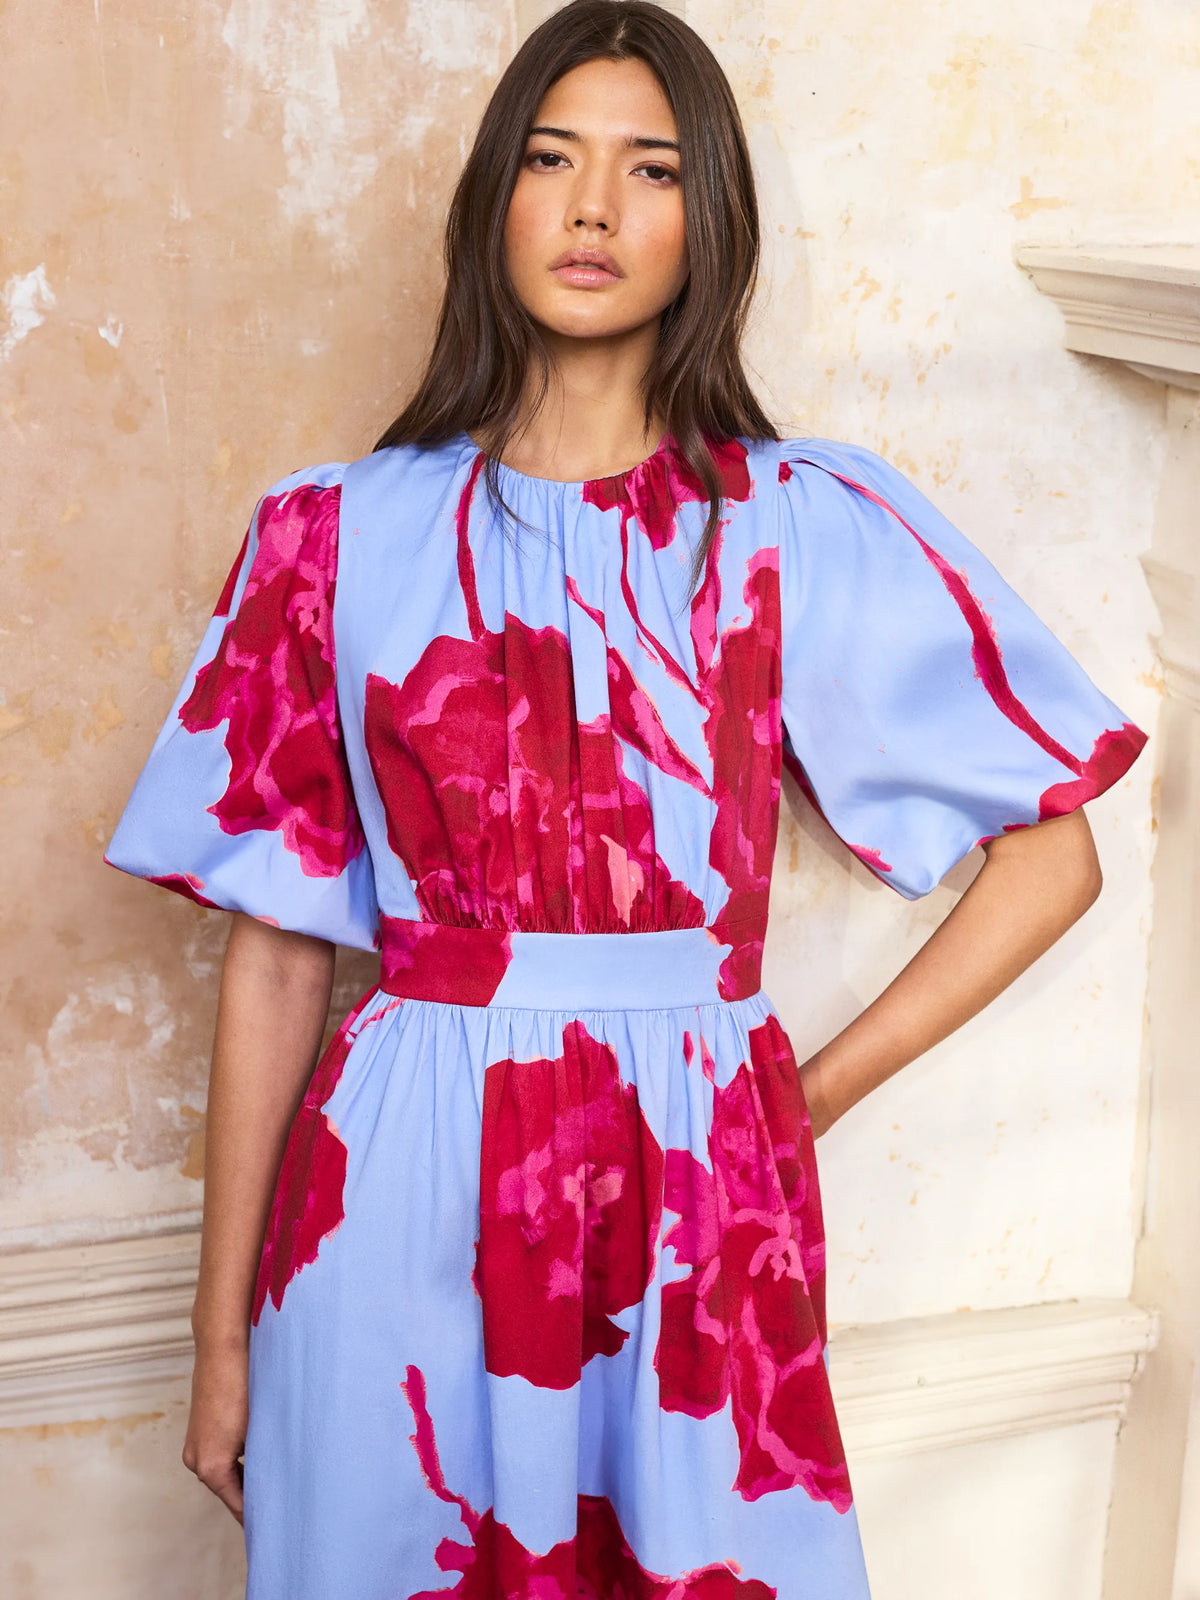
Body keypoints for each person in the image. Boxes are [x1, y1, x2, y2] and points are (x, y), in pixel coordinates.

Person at [102, 3, 1148, 1596]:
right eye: (552, 159)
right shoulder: (335, 536)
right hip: (393, 1184)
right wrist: (219, 1339)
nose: (594, 207)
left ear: (707, 218)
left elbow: (1051, 858)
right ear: (493, 200)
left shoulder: (790, 522)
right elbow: (279, 956)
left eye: (651, 169)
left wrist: (800, 1097)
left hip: (695, 1189)